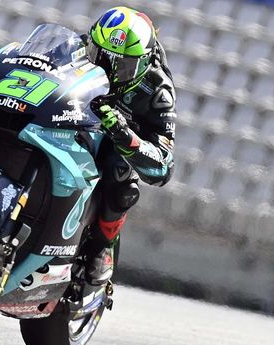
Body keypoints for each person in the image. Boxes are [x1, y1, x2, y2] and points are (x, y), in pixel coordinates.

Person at [83, 6, 177, 285]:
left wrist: (125, 136)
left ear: (142, 63)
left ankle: (102, 247)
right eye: (99, 58)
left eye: (120, 66)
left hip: (114, 141)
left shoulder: (158, 91)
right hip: (72, 120)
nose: (106, 71)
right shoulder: (80, 48)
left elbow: (163, 165)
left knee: (121, 176)